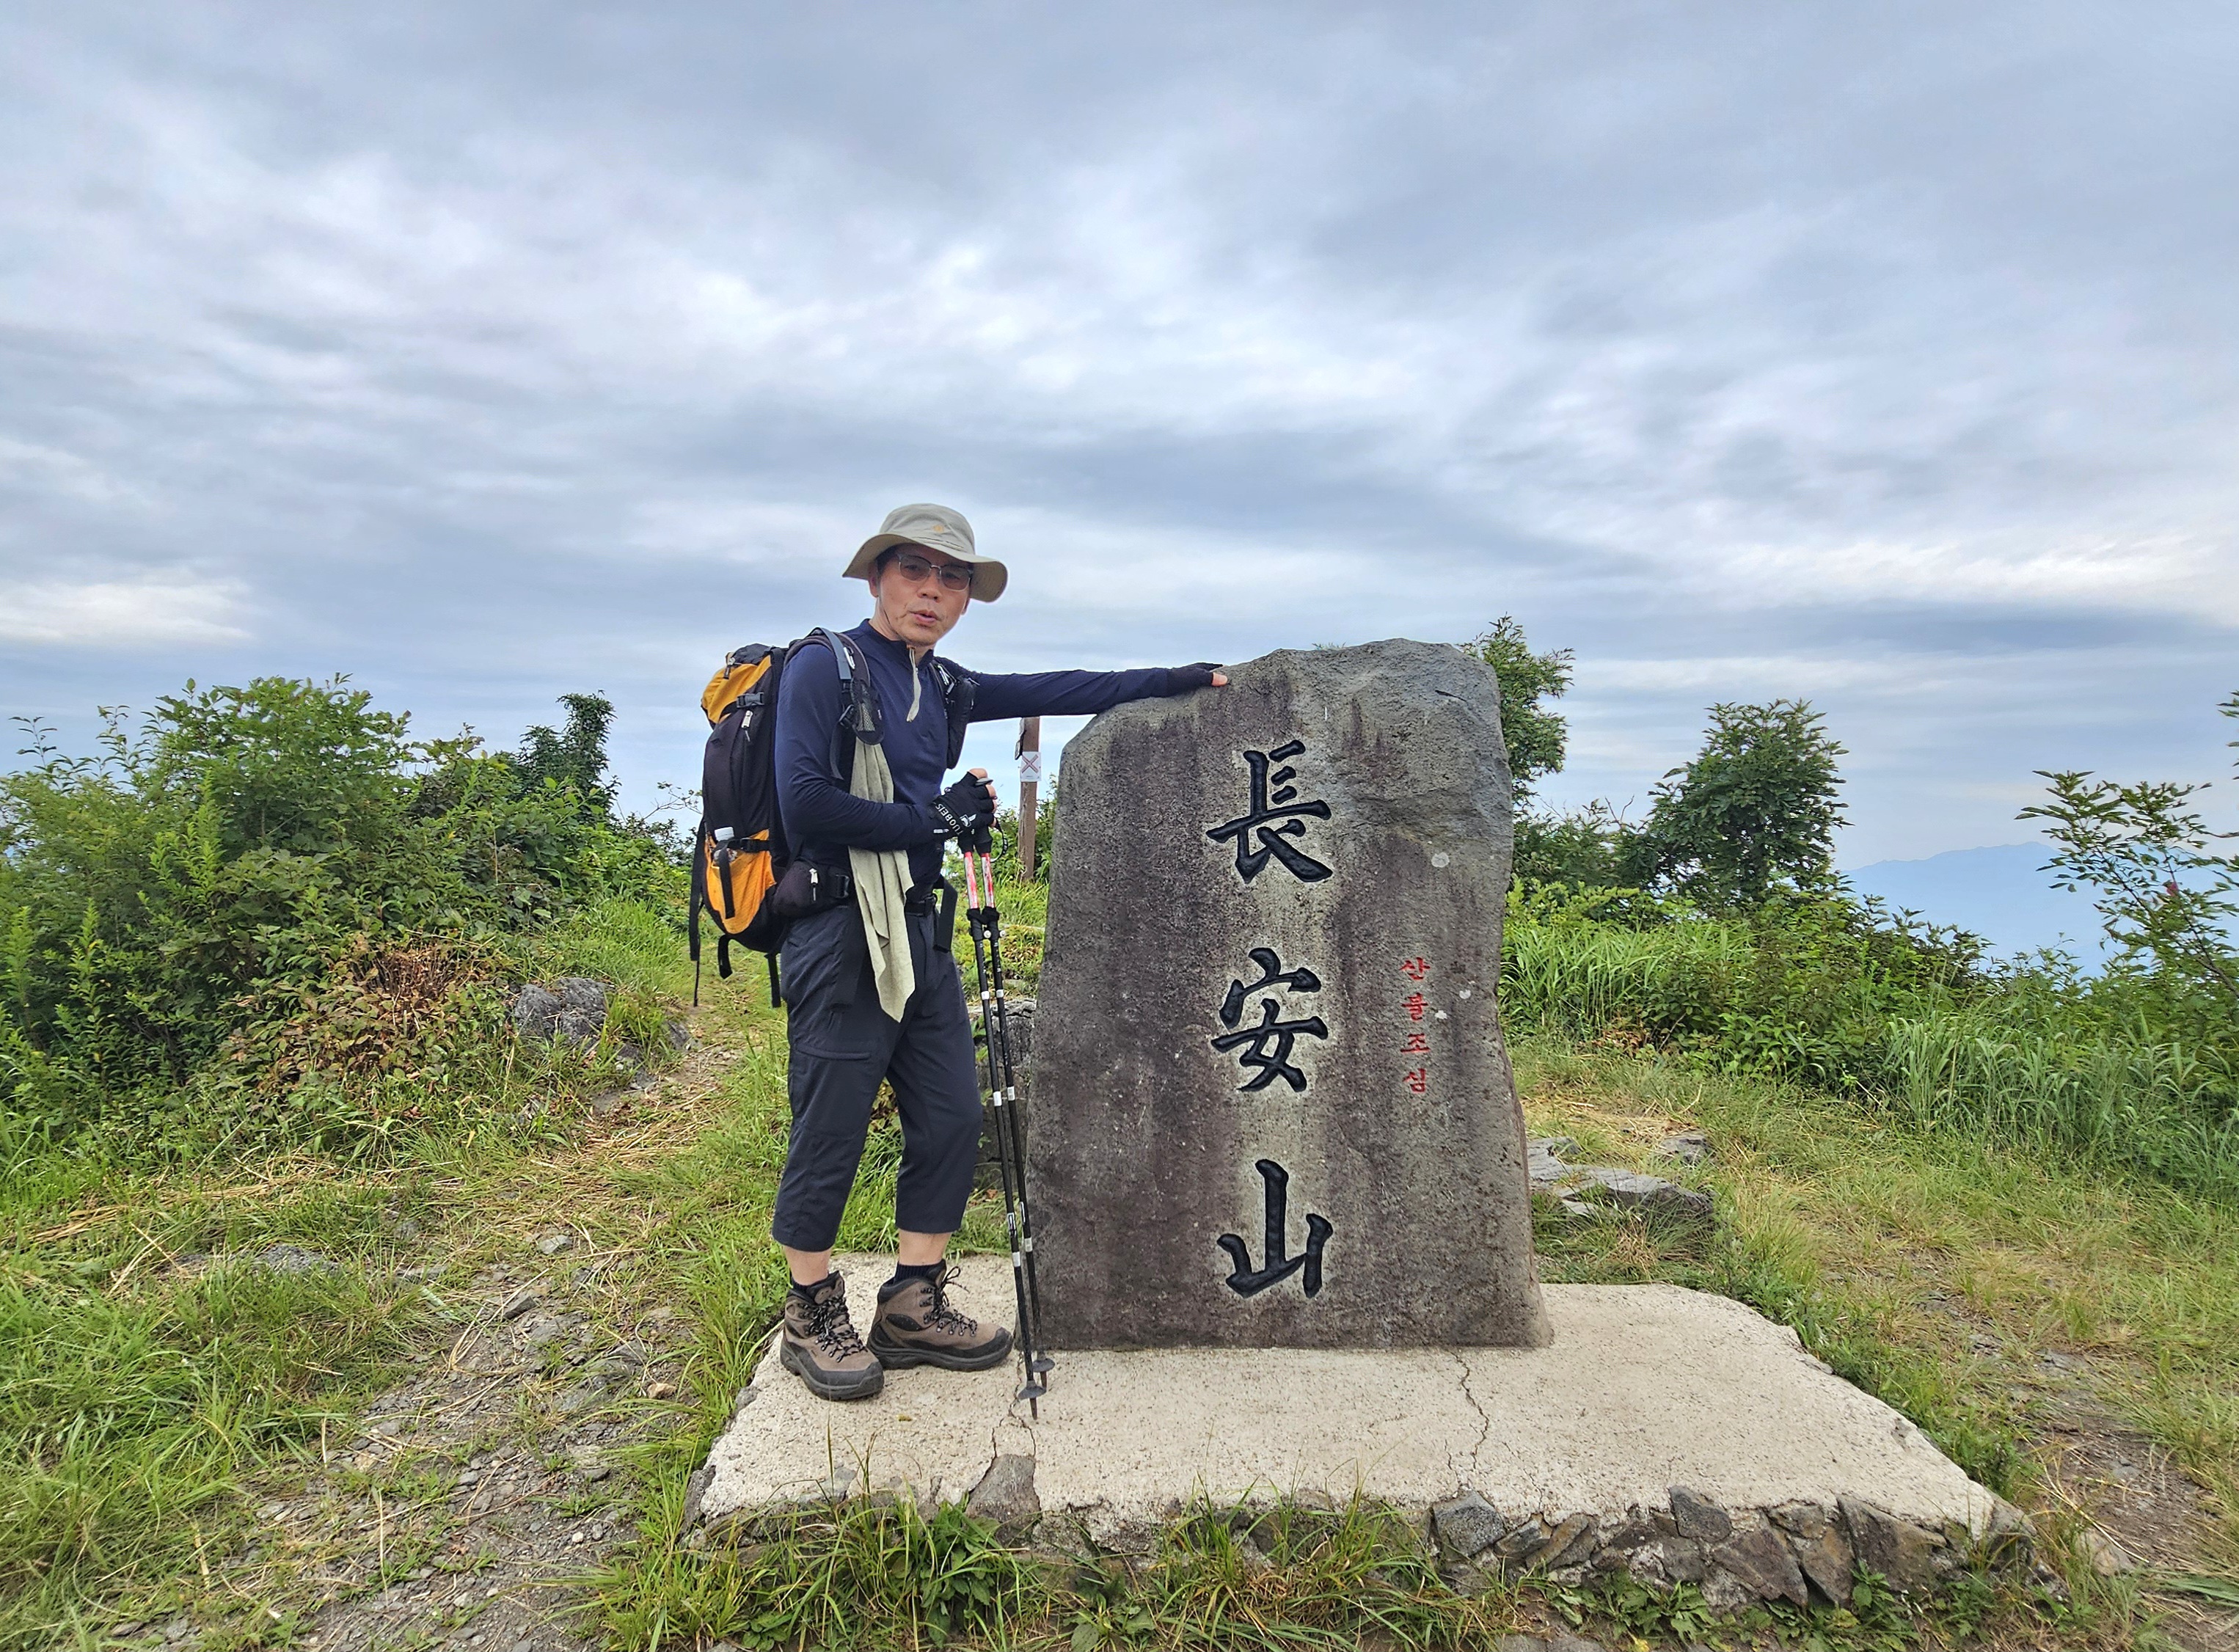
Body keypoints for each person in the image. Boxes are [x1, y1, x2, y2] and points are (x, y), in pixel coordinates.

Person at [769, 502, 1225, 1400]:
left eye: (952, 579)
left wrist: (1179, 679)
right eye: (913, 570)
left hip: (920, 931)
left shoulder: (944, 684)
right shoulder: (825, 664)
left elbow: (1063, 685)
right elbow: (805, 802)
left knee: (950, 1117)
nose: (932, 591)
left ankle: (912, 1301)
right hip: (839, 929)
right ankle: (809, 1308)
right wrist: (934, 816)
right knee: (831, 1124)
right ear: (876, 577)